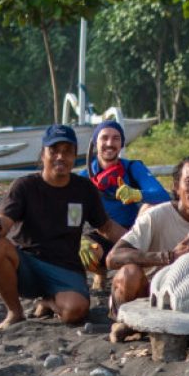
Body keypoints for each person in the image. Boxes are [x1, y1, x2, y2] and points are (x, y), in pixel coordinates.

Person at [0, 125, 125, 330]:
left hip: (66, 267)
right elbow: (4, 222)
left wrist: (138, 241)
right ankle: (15, 312)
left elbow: (106, 227)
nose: (60, 156)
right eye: (54, 150)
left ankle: (48, 302)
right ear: (43, 154)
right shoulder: (24, 186)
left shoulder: (84, 189)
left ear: (75, 156)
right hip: (27, 265)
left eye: (67, 151)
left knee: (76, 312)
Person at [105, 153, 189, 340]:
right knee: (129, 273)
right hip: (149, 293)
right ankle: (125, 322)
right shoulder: (156, 216)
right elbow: (112, 258)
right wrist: (168, 257)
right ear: (176, 187)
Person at [78, 120, 170, 289]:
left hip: (133, 235)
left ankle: (141, 269)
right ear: (95, 142)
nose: (109, 143)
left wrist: (137, 194)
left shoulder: (133, 168)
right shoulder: (84, 177)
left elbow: (163, 196)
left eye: (116, 138)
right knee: (82, 252)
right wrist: (77, 239)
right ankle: (100, 271)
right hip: (99, 234)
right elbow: (71, 213)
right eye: (104, 138)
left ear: (122, 144)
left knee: (150, 207)